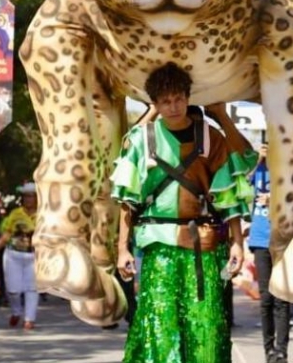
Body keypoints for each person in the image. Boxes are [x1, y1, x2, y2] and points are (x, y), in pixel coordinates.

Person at [110, 63, 256, 363]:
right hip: (158, 246)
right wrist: (122, 247)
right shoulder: (142, 139)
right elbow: (128, 198)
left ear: (187, 98)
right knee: (159, 325)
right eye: (165, 101)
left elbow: (229, 195)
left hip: (202, 247)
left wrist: (238, 242)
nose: (173, 107)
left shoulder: (210, 138)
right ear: (156, 104)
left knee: (205, 325)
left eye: (178, 99)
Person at [248, 145, 290, 363]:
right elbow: (241, 186)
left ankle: (282, 350)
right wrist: (258, 160)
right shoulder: (257, 171)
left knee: (282, 298)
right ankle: (269, 349)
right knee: (266, 298)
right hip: (260, 240)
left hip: (282, 241)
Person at [0, 182, 38, 330]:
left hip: (34, 256)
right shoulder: (15, 214)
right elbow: (6, 234)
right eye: (26, 196)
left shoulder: (45, 215)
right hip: (13, 255)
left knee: (32, 288)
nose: (29, 199)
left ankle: (29, 319)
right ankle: (16, 311)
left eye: (32, 196)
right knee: (13, 290)